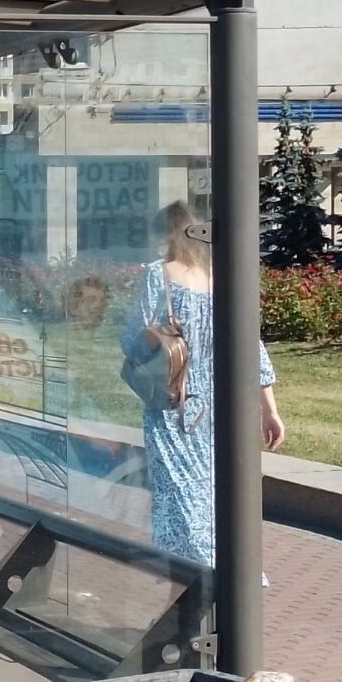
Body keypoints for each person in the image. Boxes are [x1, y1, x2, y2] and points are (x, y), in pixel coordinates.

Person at [122, 201, 283, 568]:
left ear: (165, 234)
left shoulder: (156, 276)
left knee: (177, 501)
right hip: (216, 411)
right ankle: (226, 571)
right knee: (211, 497)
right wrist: (270, 411)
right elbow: (252, 348)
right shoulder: (219, 279)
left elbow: (132, 339)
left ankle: (200, 577)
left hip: (171, 406)